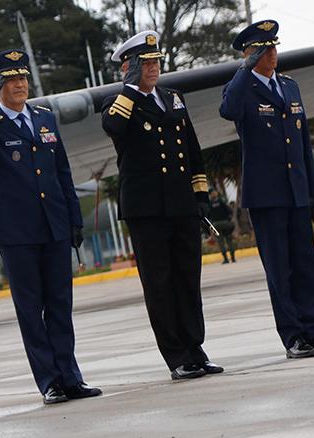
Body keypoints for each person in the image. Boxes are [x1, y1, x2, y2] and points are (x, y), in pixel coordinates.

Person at [0, 50, 101, 405]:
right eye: (11, 80)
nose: (21, 84)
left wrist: (74, 220)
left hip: (54, 225)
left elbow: (62, 172)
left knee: (60, 305)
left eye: (23, 78)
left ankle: (71, 377)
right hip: (18, 233)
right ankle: (49, 381)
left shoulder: (44, 118)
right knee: (31, 311)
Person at [219, 20, 314, 359]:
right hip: (267, 196)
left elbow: (304, 144)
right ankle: (293, 337)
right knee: (280, 268)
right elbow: (227, 110)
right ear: (249, 55)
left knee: (305, 264)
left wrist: (313, 193)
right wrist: (243, 70)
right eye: (264, 49)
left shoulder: (290, 87)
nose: (273, 54)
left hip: (296, 192)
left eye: (274, 47)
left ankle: (313, 330)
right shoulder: (242, 90)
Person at [101, 31, 223, 381]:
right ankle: (176, 356)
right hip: (147, 209)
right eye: (145, 63)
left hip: (182, 204)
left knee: (188, 280)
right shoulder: (121, 102)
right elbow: (113, 127)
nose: (152, 69)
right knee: (160, 283)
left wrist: (200, 195)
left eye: (155, 62)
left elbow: (193, 149)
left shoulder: (173, 98)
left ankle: (195, 349)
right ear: (128, 66)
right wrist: (129, 89)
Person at [207, 188, 237, 263]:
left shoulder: (209, 204)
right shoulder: (221, 201)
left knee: (220, 241)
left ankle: (226, 259)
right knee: (229, 239)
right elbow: (229, 211)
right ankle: (233, 258)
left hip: (216, 225)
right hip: (225, 223)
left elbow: (208, 215)